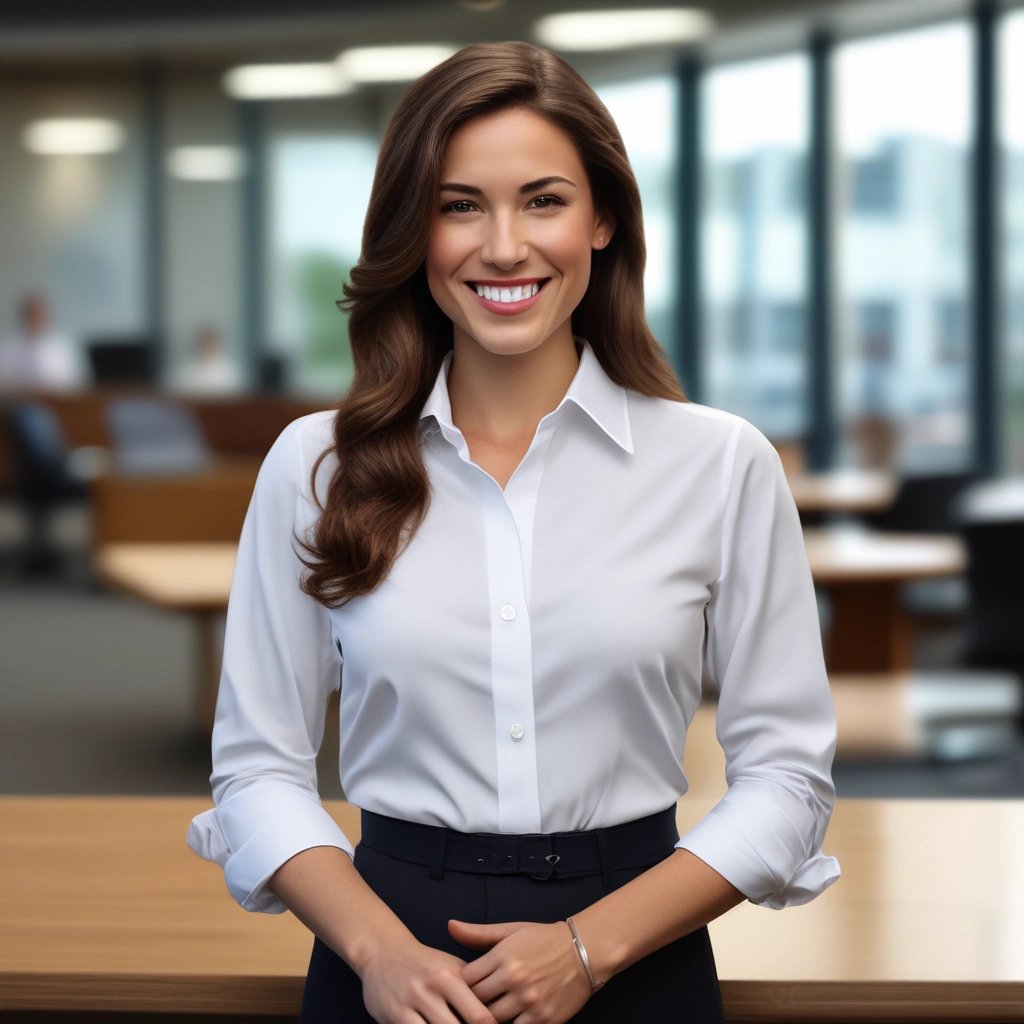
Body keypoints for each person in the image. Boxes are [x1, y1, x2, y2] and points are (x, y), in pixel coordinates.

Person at [187, 42, 839, 1024]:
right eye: (459, 206)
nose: (502, 246)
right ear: (418, 230)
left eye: (543, 200)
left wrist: (590, 945)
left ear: (603, 218)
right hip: (388, 958)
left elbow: (787, 777)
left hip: (637, 952)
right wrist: (377, 951)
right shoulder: (315, 464)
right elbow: (257, 766)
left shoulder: (720, 464)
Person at [0, 293, 85, 393]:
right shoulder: (10, 346)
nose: (36, 319)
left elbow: (75, 381)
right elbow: (4, 381)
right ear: (24, 317)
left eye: (39, 314)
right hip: (21, 400)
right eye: (31, 314)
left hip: (59, 399)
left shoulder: (61, 346)